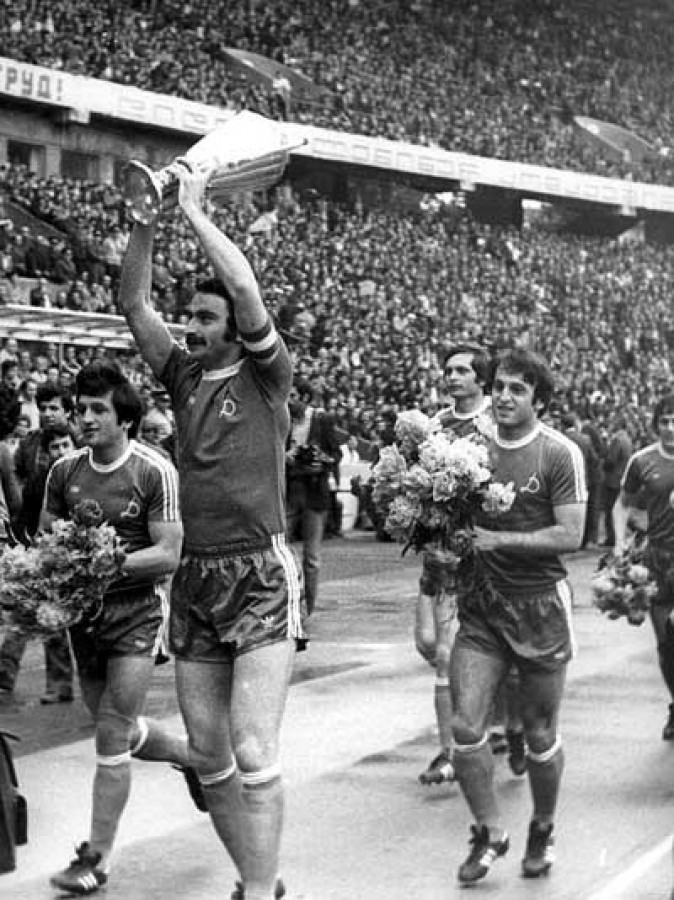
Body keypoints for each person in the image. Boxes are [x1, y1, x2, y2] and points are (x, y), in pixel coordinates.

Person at [118, 160, 305, 900]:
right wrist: (145, 221)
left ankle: (257, 892)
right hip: (195, 576)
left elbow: (248, 291)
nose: (190, 328)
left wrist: (196, 212)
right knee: (208, 752)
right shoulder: (184, 377)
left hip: (259, 572)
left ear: (234, 328)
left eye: (204, 318)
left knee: (254, 749)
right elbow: (133, 302)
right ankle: (260, 876)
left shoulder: (266, 376)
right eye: (189, 318)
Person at [47, 360, 204, 896]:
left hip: (137, 612)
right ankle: (189, 756)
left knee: (113, 730)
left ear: (126, 419)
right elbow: (48, 541)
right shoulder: (64, 472)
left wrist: (104, 564)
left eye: (98, 410)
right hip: (83, 615)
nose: (86, 419)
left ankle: (95, 858)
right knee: (114, 727)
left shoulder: (154, 470)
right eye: (80, 409)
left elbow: (168, 553)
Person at [450, 348, 586, 885]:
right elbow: (451, 520)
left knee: (538, 734)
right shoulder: (467, 448)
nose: (504, 397)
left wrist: (498, 539)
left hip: (540, 608)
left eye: (517, 389)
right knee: (465, 726)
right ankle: (490, 831)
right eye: (499, 387)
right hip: (482, 606)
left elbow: (571, 534)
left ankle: (542, 826)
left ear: (539, 401)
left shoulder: (559, 453)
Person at [415, 343, 493, 787]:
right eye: (448, 370)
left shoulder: (493, 423)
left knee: (447, 654)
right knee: (428, 643)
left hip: (477, 555)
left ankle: (451, 752)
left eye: (462, 370)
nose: (452, 376)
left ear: (481, 378)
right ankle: (486, 715)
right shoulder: (436, 424)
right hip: (437, 548)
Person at [0, 384, 77, 702]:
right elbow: (22, 496)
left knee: (72, 621)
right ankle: (10, 676)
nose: (47, 413)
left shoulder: (84, 449)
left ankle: (81, 680)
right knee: (32, 609)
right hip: (40, 540)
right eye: (42, 407)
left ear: (68, 411)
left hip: (77, 544)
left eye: (54, 407)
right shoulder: (31, 446)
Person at [613, 394, 674, 741]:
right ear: (656, 424)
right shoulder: (642, 460)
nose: (671, 428)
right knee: (666, 643)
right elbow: (621, 505)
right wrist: (620, 542)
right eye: (665, 421)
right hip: (658, 561)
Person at [286, 379, 342, 611]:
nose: (288, 401)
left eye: (292, 396)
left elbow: (336, 454)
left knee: (312, 557)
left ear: (305, 398)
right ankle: (287, 604)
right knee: (281, 548)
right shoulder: (282, 417)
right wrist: (287, 456)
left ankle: (309, 607)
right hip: (289, 488)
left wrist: (322, 461)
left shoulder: (322, 419)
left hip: (314, 489)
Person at [561, 411, 602, 549]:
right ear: (575, 424)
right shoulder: (585, 439)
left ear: (562, 425)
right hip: (585, 479)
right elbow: (594, 459)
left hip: (565, 480)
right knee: (589, 508)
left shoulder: (560, 439)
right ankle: (588, 540)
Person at [602, 413, 633, 549]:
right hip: (622, 477)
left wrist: (603, 462)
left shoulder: (617, 440)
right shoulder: (627, 439)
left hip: (613, 479)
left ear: (618, 424)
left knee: (610, 509)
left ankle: (611, 537)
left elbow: (611, 460)